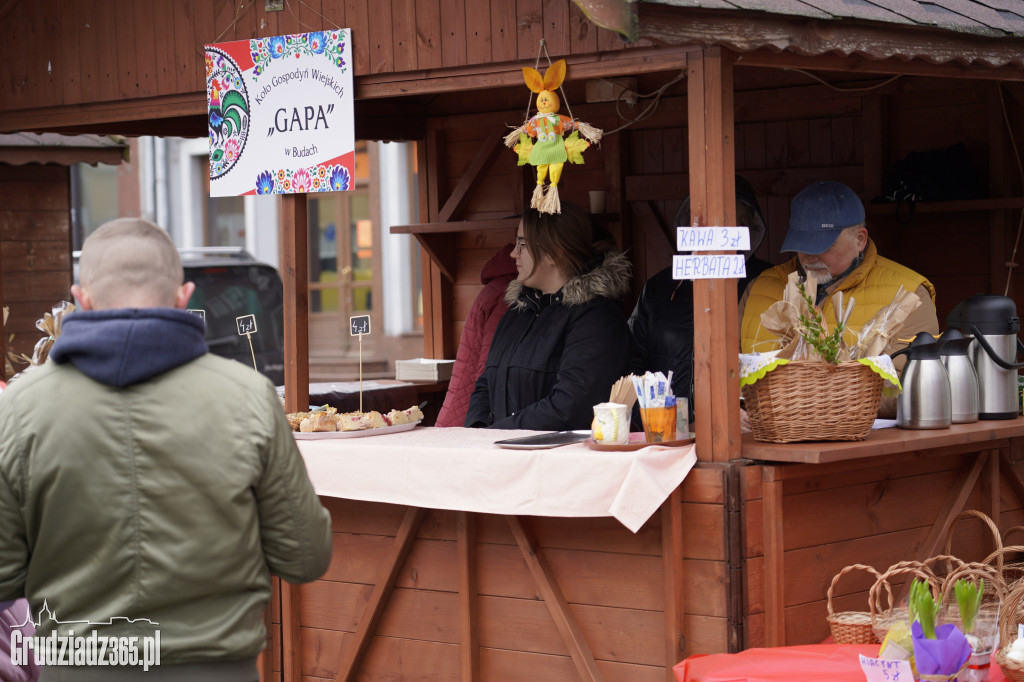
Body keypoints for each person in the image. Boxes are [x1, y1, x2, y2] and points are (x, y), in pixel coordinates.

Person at [0, 218, 332, 680]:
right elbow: (305, 556)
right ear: (183, 296)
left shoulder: (18, 409)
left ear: (82, 298)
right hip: (217, 669)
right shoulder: (248, 395)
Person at [739, 180, 939, 415]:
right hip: (763, 442)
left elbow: (909, 389)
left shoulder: (909, 292)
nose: (810, 257)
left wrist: (807, 403)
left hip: (861, 447)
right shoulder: (759, 287)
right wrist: (735, 408)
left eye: (824, 246)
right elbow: (725, 371)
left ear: (860, 240)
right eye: (803, 245)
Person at [465, 202, 632, 430]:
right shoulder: (517, 311)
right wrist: (477, 433)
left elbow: (572, 406)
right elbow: (485, 385)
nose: (513, 253)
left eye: (522, 244)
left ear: (554, 253)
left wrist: (497, 436)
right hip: (502, 455)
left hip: (558, 460)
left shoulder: (596, 318)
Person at [629, 176, 772, 414]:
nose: (718, 231)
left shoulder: (768, 283)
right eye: (707, 222)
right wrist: (657, 419)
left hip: (749, 432)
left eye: (731, 223)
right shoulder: (660, 287)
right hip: (670, 433)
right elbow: (632, 364)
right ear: (690, 224)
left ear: (749, 229)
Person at [435, 243, 518, 427]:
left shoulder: (499, 288)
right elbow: (489, 372)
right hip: (470, 418)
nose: (517, 253)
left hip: (461, 410)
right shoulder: (508, 293)